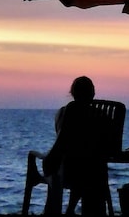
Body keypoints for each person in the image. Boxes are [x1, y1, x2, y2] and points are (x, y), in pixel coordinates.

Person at [41, 76, 110, 216]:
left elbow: (61, 143)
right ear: (93, 93)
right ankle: (70, 209)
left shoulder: (68, 111)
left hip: (72, 170)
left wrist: (49, 159)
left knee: (58, 166)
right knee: (84, 165)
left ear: (73, 93)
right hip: (97, 172)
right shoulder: (102, 114)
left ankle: (57, 211)